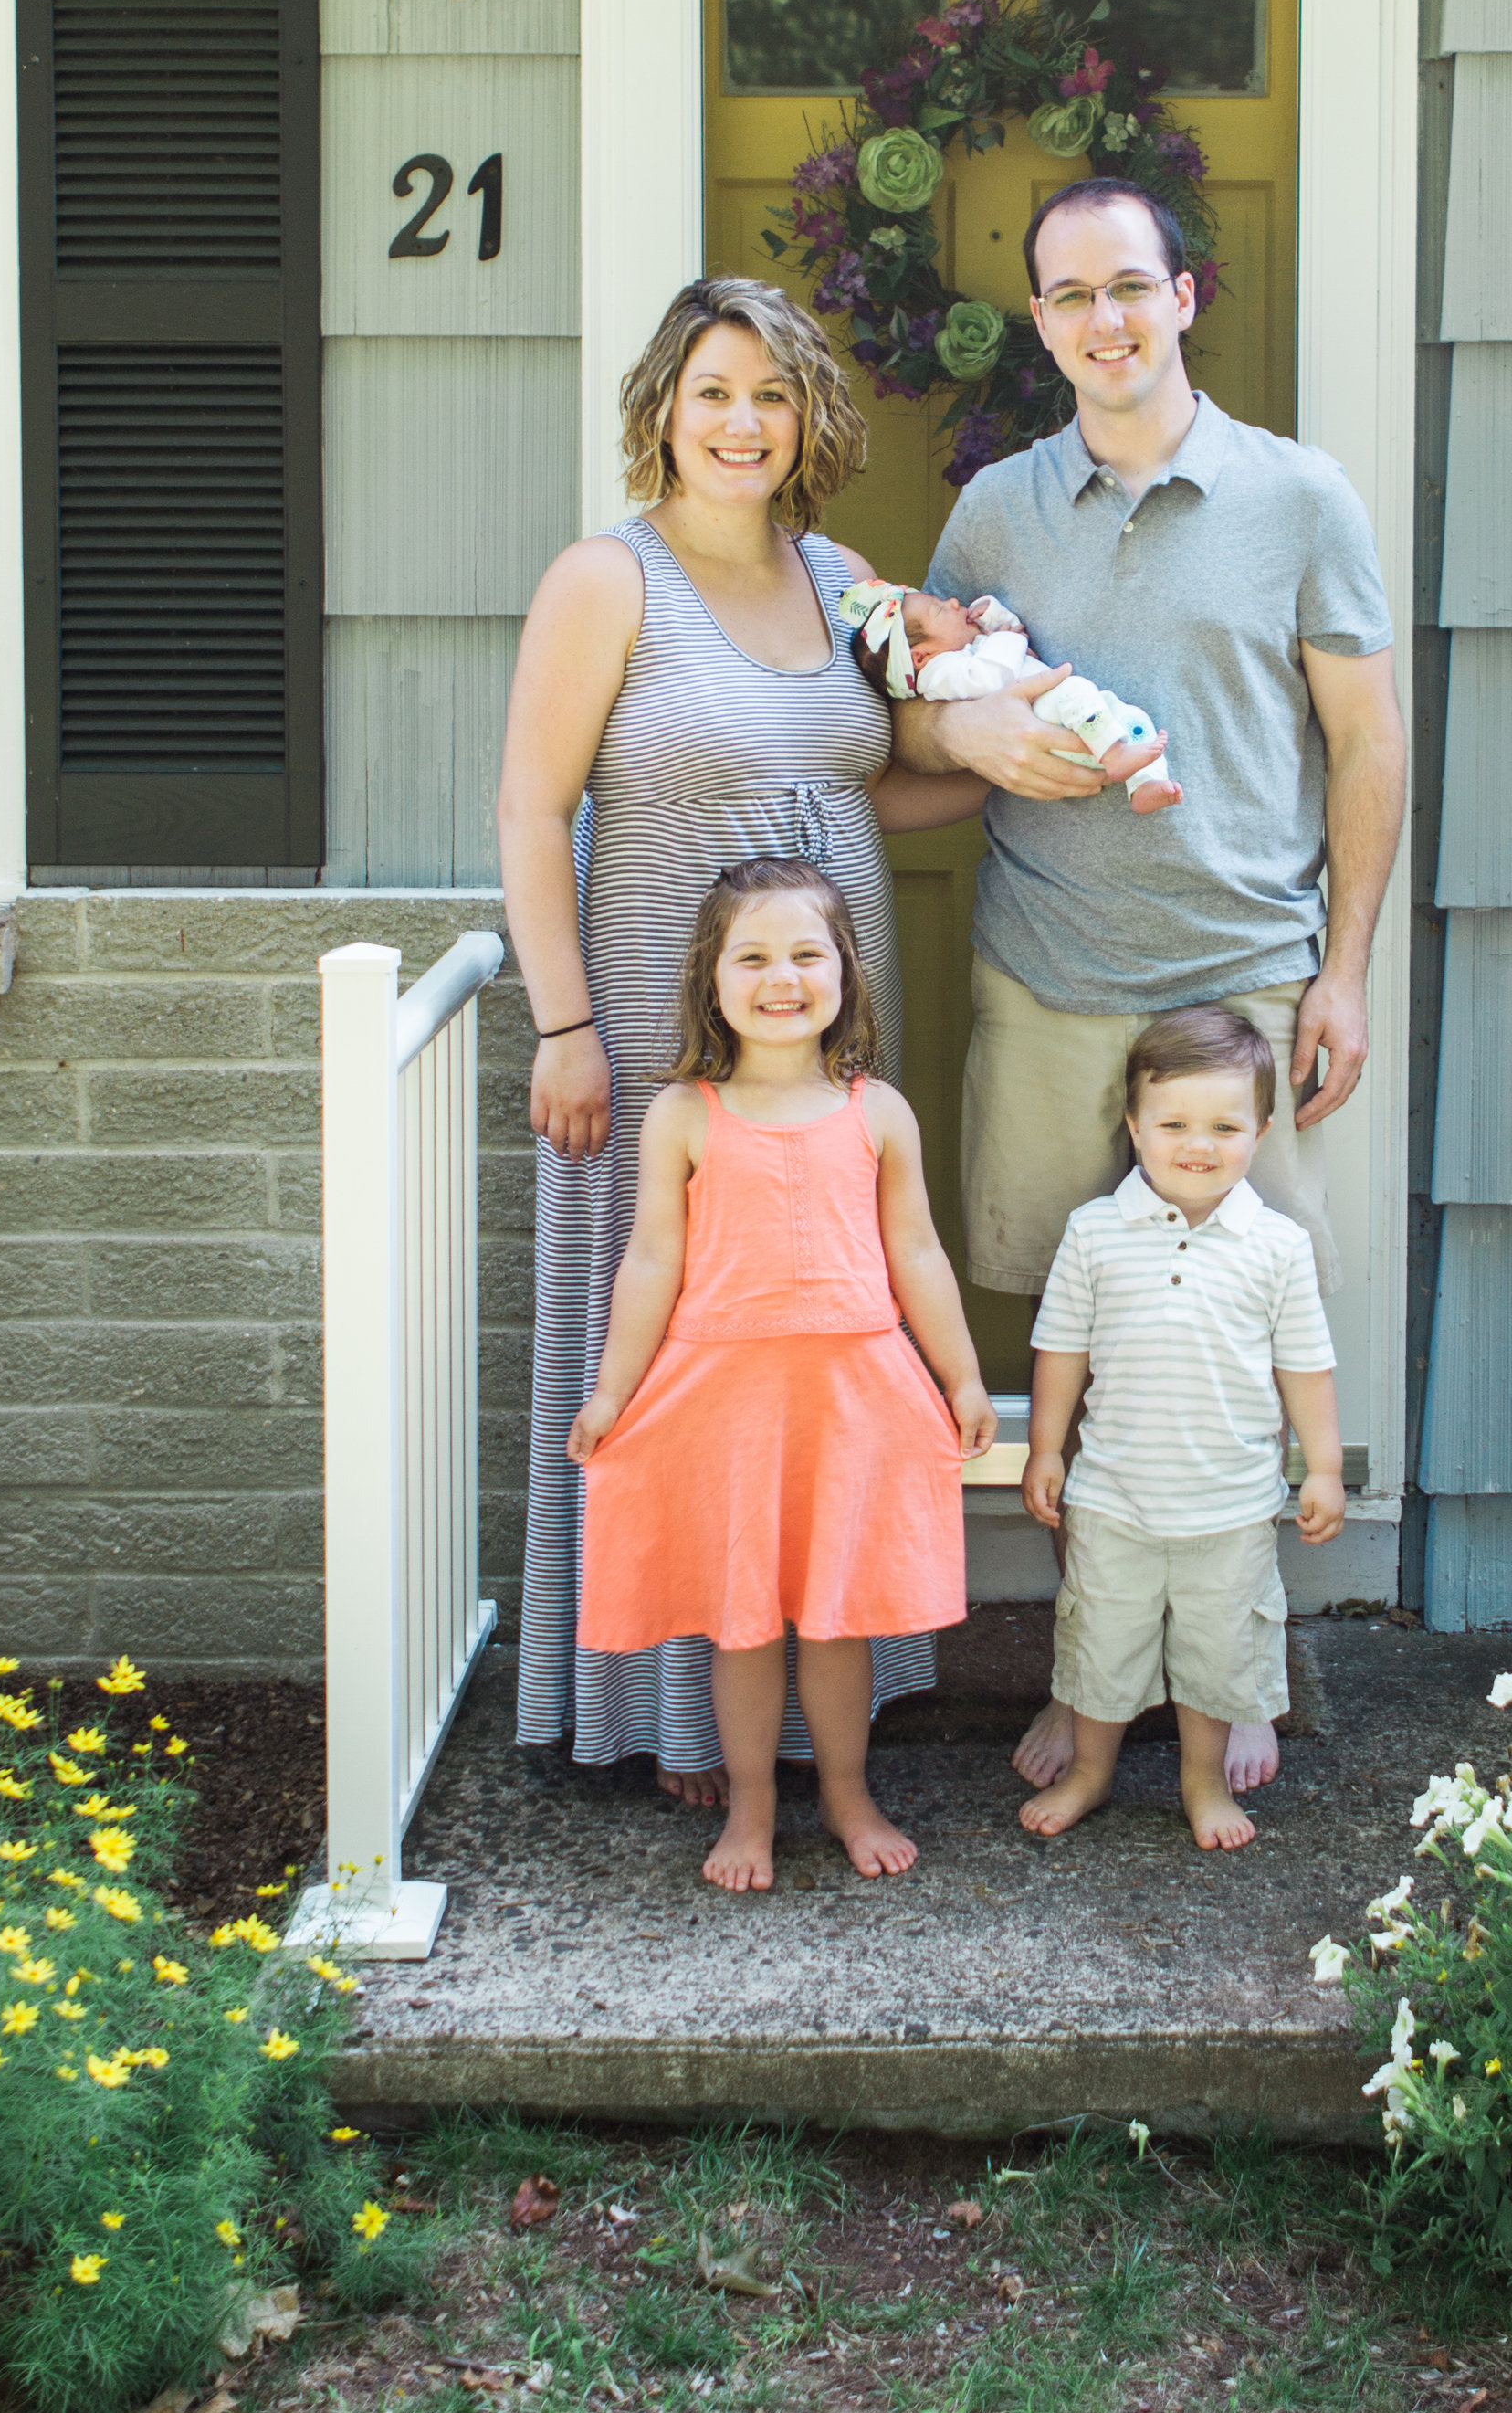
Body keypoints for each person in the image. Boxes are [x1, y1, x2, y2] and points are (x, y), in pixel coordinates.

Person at [891, 177, 1408, 1802]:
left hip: (1242, 988)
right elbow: (920, 717)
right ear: (1039, 322)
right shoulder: (993, 513)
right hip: (1049, 980)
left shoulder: (1300, 497)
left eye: (1130, 286)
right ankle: (1092, 1669)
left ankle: (1228, 1673)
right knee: (1079, 1340)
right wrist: (974, 737)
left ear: (1185, 296)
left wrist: (1346, 969)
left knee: (1243, 1344)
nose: (1103, 320)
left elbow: (1366, 743)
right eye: (1068, 296)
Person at [498, 277, 984, 1805]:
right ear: (662, 408)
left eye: (769, 394)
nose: (740, 422)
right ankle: (672, 1720)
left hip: (827, 1040)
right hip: (656, 1025)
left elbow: (865, 782)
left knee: (826, 1346)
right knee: (675, 1362)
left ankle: (828, 1691)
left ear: (805, 420)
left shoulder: (837, 572)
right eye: (713, 390)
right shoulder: (606, 580)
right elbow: (531, 809)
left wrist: (1005, 766)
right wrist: (565, 1025)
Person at [569, 858, 996, 1890]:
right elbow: (653, 1262)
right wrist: (612, 1391)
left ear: (844, 972)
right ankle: (752, 1805)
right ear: (710, 978)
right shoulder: (684, 1113)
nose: (781, 977)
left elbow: (919, 1255)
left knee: (839, 1617)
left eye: (807, 953)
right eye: (751, 956)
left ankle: (847, 1792)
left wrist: (964, 1377)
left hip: (850, 1400)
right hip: (726, 1405)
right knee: (746, 1621)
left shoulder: (876, 1111)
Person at [1017, 1006, 1345, 1851]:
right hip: (1114, 1498)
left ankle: (1200, 1782)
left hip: (1229, 1508)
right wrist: (1047, 1448)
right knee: (1100, 1645)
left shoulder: (1276, 1247)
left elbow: (1305, 1367)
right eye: (1173, 1125)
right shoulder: (1095, 1233)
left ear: (1261, 1132)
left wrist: (1324, 1468)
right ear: (1134, 1126)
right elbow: (1061, 1350)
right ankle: (1093, 1772)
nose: (1198, 1145)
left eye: (1225, 1127)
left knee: (1214, 1655)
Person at [838, 576, 1180, 813]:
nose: (953, 602)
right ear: (919, 657)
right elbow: (992, 677)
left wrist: (990, 615)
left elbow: (1010, 633)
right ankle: (1114, 754)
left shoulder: (967, 651)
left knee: (1133, 719)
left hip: (1068, 713)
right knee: (1077, 690)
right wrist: (1008, 638)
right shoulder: (939, 676)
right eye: (940, 610)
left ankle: (1145, 785)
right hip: (1045, 715)